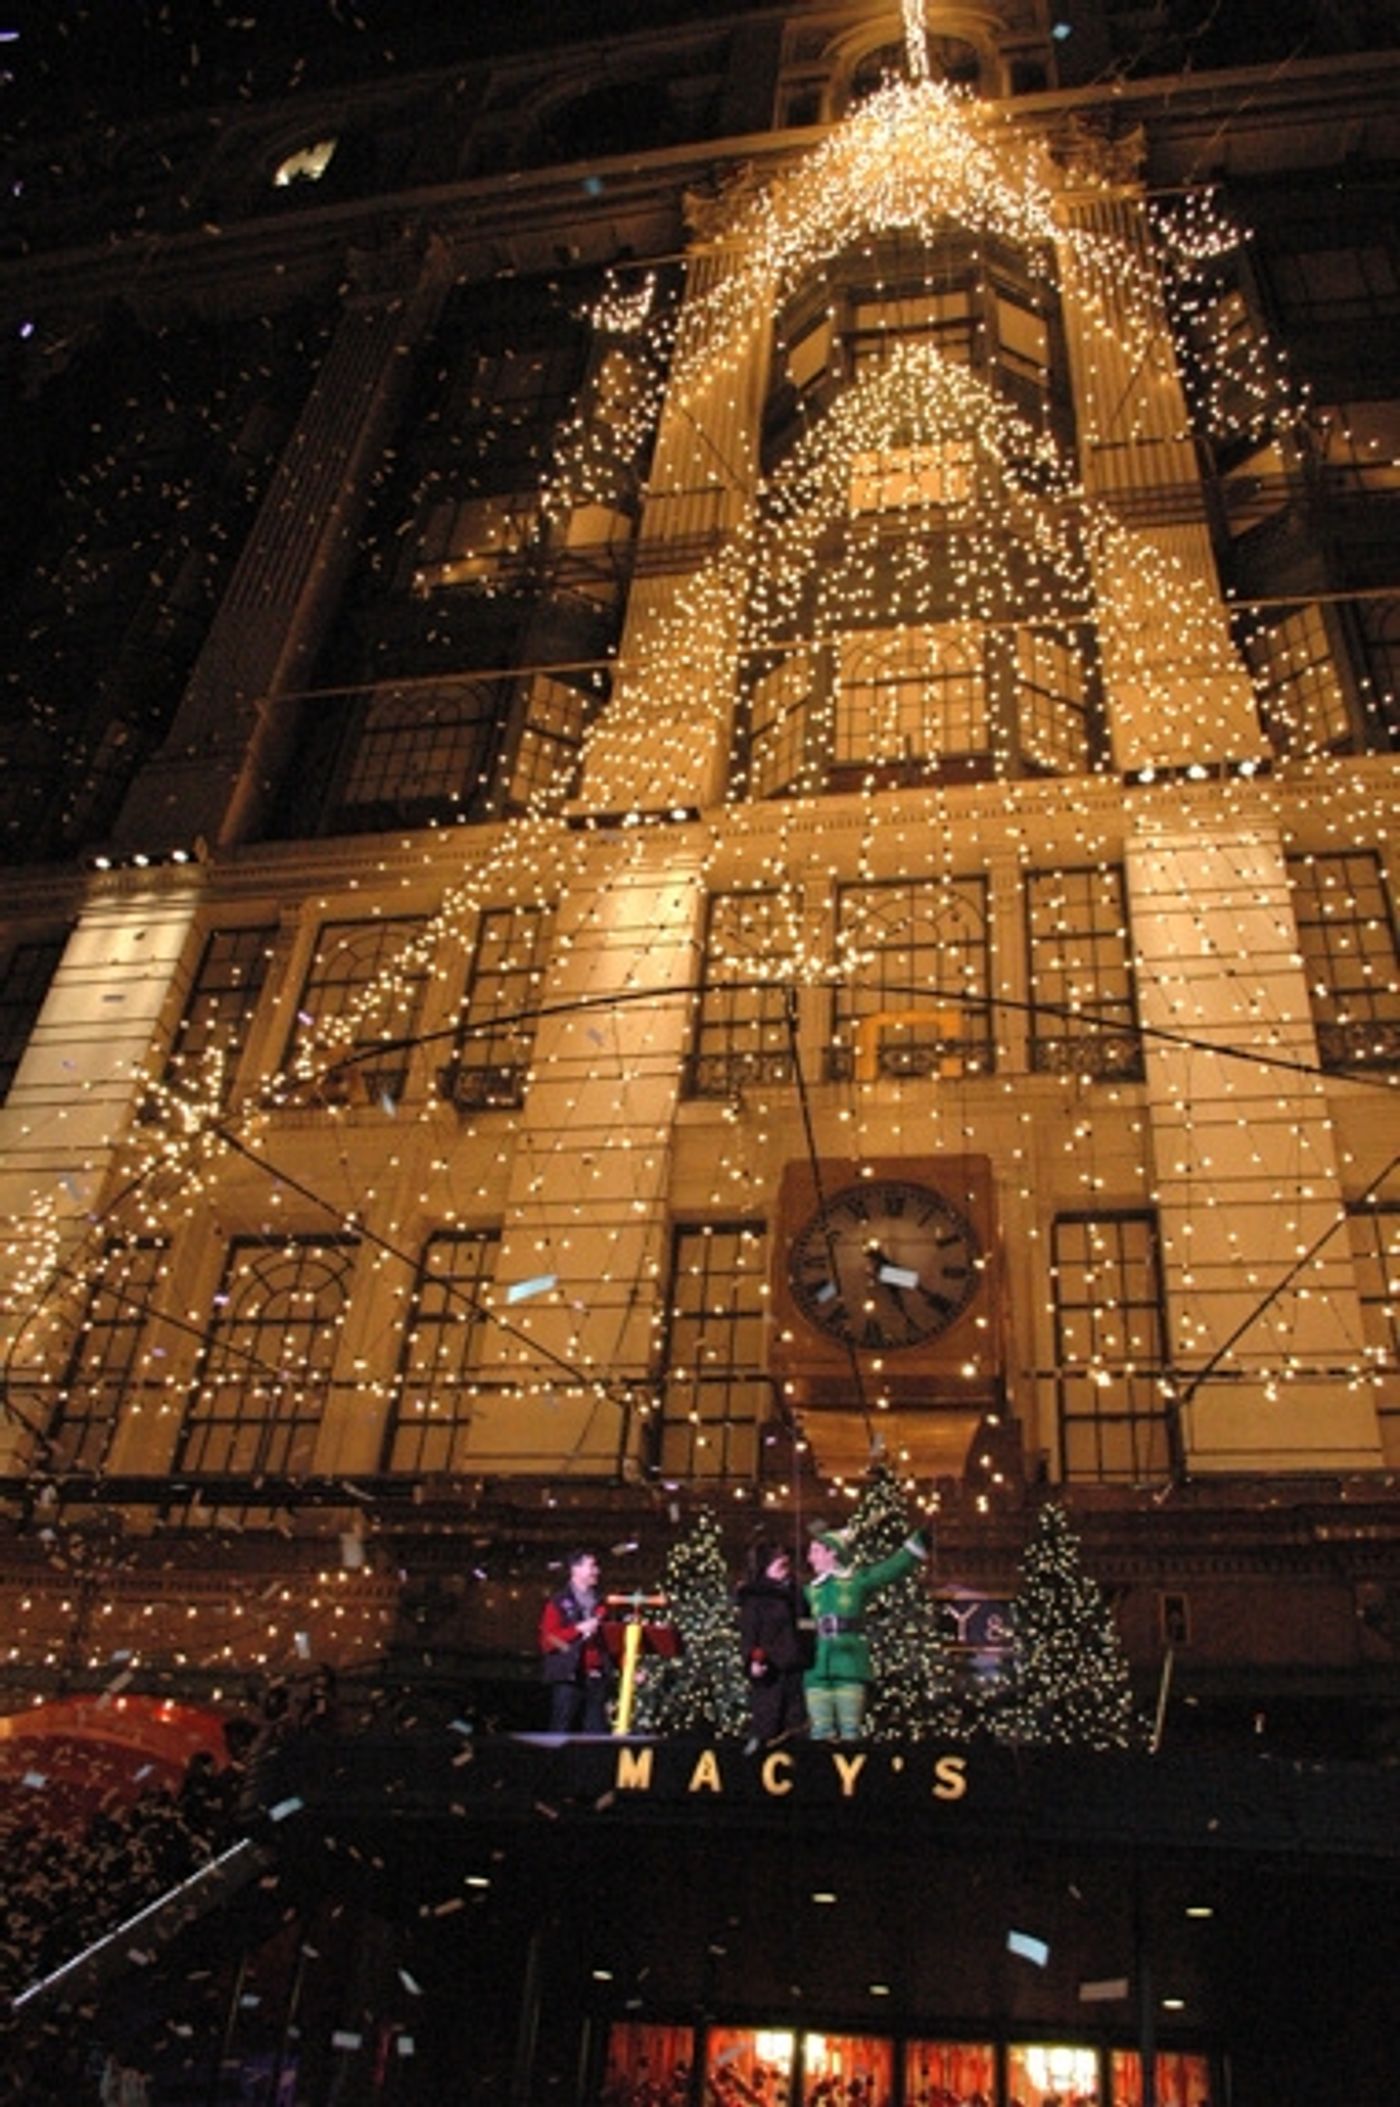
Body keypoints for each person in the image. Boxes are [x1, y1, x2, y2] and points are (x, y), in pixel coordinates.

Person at [803, 1520, 929, 1742]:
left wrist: (915, 1546)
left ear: (832, 1553)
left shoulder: (856, 1582)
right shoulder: (808, 1591)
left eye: (815, 1551)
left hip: (850, 1665)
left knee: (851, 1732)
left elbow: (889, 1570)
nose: (809, 1558)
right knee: (820, 1733)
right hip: (816, 1668)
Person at [736, 1538, 809, 1749]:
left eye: (787, 1564)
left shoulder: (795, 1594)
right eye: (780, 1565)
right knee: (768, 1723)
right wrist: (752, 1660)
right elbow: (749, 1633)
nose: (785, 1569)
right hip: (769, 1669)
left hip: (795, 1669)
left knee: (795, 1728)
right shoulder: (756, 1597)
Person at [539, 1547, 616, 1733]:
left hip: (597, 1677)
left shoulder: (603, 1604)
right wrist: (577, 1630)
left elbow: (612, 1642)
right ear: (575, 1569)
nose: (597, 1571)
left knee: (597, 1733)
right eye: (592, 1566)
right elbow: (548, 1641)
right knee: (560, 1730)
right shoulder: (557, 1603)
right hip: (569, 1678)